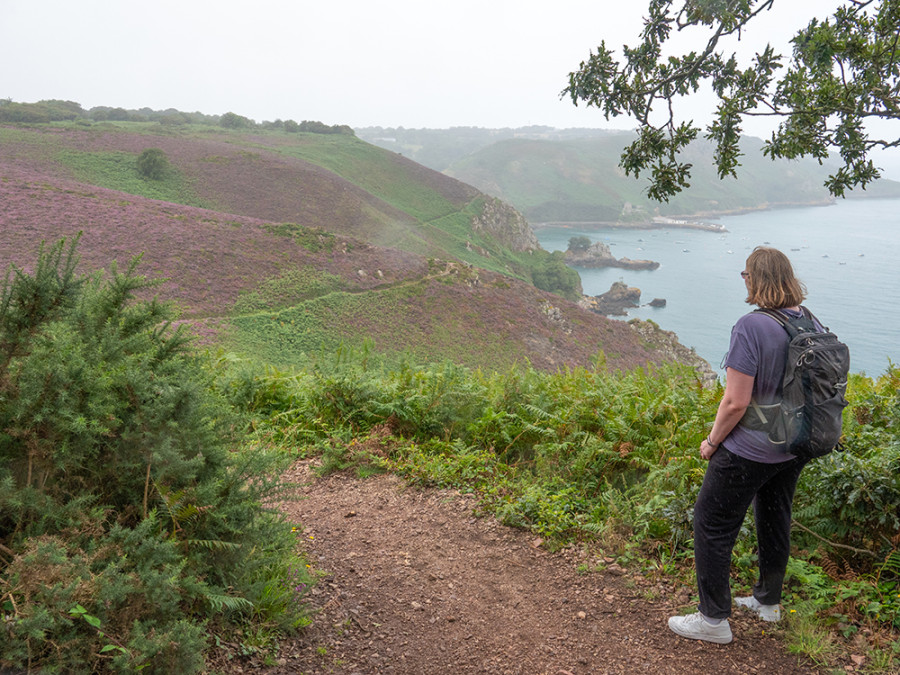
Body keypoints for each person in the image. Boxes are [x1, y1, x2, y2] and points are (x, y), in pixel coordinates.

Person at [668, 246, 818, 645]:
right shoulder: (808, 321)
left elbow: (736, 401)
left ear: (757, 279)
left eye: (746, 274)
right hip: (793, 446)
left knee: (711, 522)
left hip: (751, 448)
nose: (744, 279)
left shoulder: (752, 326)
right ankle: (768, 603)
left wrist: (712, 441)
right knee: (774, 517)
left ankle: (713, 619)